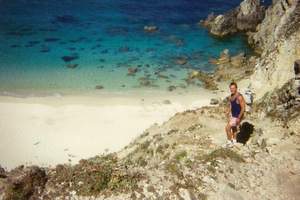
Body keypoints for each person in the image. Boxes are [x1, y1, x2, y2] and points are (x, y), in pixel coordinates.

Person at [225, 82, 245, 147]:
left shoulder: (239, 97)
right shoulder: (231, 96)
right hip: (234, 115)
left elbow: (243, 108)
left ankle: (229, 142)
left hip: (237, 116)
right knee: (234, 128)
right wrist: (228, 111)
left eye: (233, 88)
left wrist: (239, 118)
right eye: (231, 88)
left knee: (227, 128)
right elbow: (232, 105)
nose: (232, 89)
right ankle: (234, 141)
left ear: (236, 88)